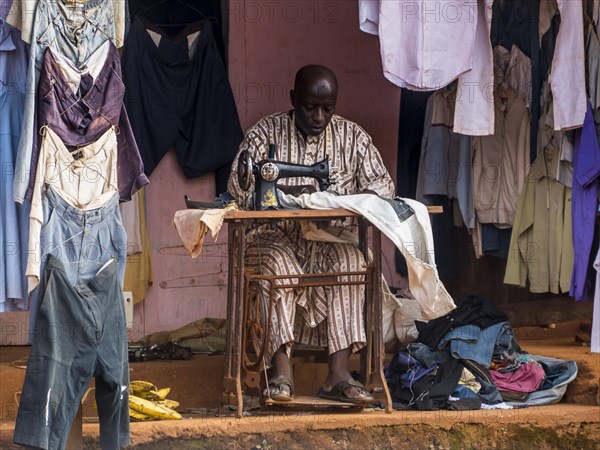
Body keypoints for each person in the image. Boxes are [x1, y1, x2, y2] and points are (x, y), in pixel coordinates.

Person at [227, 65, 395, 404]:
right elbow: (237, 189)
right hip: (271, 238)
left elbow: (383, 187)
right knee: (278, 265)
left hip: (326, 239)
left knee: (352, 260)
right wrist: (283, 196)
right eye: (309, 107)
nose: (319, 116)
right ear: (293, 99)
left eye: (327, 108)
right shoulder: (264, 134)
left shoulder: (353, 138)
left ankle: (339, 374)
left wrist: (341, 201)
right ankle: (281, 372)